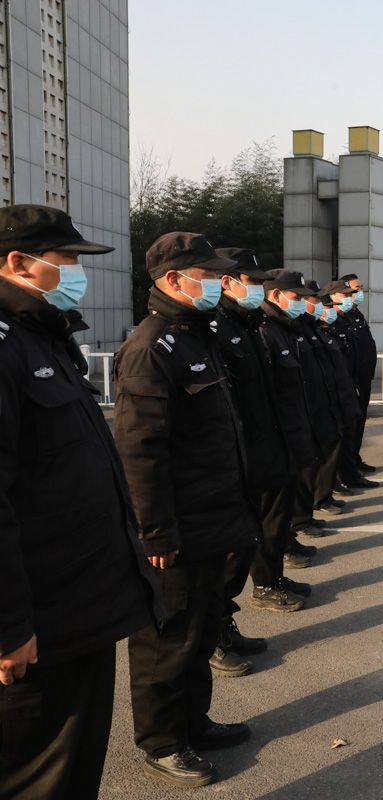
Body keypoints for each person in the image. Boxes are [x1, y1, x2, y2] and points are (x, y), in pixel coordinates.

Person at [0, 205, 158, 799]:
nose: (76, 274)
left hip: (77, 608)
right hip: (38, 622)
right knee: (36, 776)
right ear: (19, 263)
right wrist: (8, 625)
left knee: (70, 769)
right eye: (65, 262)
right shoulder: (7, 346)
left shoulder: (44, 337)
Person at [115, 232, 261, 788]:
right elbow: (140, 450)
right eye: (207, 275)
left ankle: (193, 722)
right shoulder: (151, 348)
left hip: (212, 516)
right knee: (166, 641)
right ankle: (162, 741)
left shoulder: (194, 338)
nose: (217, 284)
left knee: (199, 632)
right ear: (173, 281)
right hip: (175, 527)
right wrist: (155, 533)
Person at [212, 248, 305, 682]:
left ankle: (224, 622)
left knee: (253, 537)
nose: (256, 287)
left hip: (265, 450)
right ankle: (215, 633)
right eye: (248, 280)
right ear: (227, 282)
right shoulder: (216, 329)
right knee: (230, 551)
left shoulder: (247, 326)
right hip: (237, 461)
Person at [259, 270, 323, 563]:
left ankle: (289, 539)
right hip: (277, 433)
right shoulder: (264, 329)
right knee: (273, 505)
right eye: (296, 297)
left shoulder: (287, 326)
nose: (301, 303)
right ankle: (272, 572)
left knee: (289, 495)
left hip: (297, 424)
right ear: (275, 295)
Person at [317, 282, 375, 489]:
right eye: (346, 294)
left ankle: (351, 472)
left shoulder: (351, 317)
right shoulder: (327, 324)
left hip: (353, 383)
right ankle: (339, 478)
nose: (351, 297)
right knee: (341, 435)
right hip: (338, 388)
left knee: (352, 432)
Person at [296, 284, 346, 514]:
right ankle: (315, 502)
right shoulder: (296, 329)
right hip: (310, 406)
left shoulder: (315, 328)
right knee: (312, 459)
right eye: (313, 300)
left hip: (328, 400)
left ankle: (324, 496)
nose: (319, 306)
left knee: (330, 449)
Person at [336, 274, 379, 474]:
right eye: (354, 290)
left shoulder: (357, 314)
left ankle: (354, 457)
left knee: (359, 422)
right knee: (350, 424)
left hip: (363, 378)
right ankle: (348, 465)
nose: (359, 293)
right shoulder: (339, 317)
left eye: (360, 288)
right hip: (351, 381)